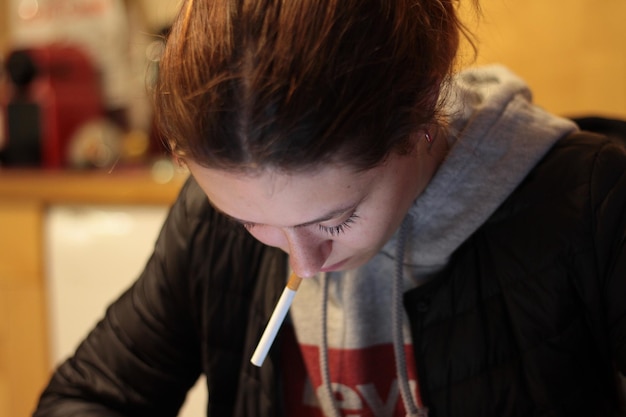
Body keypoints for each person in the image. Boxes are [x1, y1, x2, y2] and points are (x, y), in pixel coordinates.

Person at [33, 0, 626, 416]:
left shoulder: (591, 205)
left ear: (422, 114)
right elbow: (89, 397)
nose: (305, 263)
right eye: (253, 224)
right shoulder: (208, 223)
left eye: (336, 220)